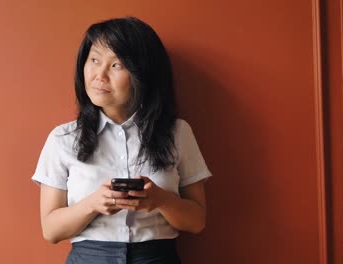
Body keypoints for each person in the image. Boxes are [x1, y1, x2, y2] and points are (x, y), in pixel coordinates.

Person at [32, 17, 212, 264]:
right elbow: (50, 230)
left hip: (157, 258)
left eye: (116, 65)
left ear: (142, 73)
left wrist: (159, 199)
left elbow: (197, 221)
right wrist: (93, 204)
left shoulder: (178, 133)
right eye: (94, 60)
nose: (99, 75)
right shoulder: (63, 138)